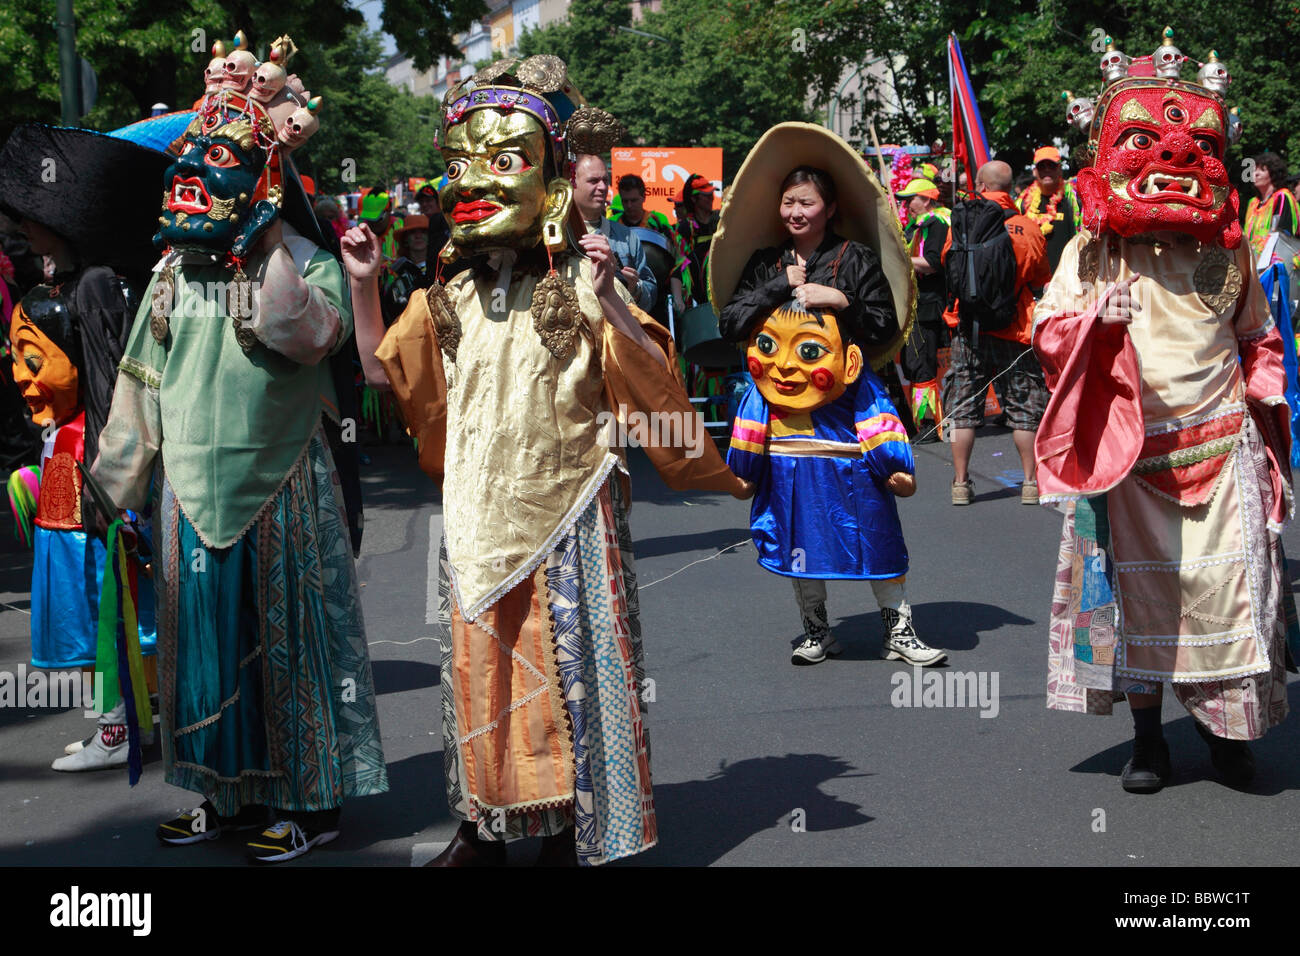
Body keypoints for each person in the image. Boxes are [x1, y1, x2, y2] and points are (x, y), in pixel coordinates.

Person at [344, 54, 750, 867]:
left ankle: (573, 832)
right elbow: (383, 374)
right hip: (477, 515)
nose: (477, 181)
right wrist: (362, 285)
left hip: (571, 507)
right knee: (481, 683)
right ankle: (484, 829)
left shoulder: (584, 281)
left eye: (503, 162)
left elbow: (657, 393)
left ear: (550, 179)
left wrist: (607, 302)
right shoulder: (447, 295)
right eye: (463, 163)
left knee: (570, 685)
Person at [90, 35, 387, 861]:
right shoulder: (169, 274)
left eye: (217, 157)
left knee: (288, 651)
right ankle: (218, 796)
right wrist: (108, 487)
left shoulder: (304, 261)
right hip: (188, 487)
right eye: (189, 156)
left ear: (260, 176)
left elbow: (308, 335)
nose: (192, 174)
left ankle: (310, 801)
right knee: (202, 654)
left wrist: (256, 247)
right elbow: (140, 382)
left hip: (279, 482)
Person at [1033, 34, 1294, 793]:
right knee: (1128, 603)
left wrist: (1267, 414)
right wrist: (1091, 325)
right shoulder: (1090, 248)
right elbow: (1048, 334)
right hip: (1126, 457)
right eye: (1144, 141)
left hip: (1220, 445)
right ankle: (1148, 742)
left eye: (1195, 145)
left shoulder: (1233, 248)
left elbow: (1259, 339)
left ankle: (1229, 741)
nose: (1174, 160)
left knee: (1229, 600)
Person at [713, 121, 944, 667]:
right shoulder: (765, 263)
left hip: (847, 412)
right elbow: (730, 322)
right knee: (796, 519)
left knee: (873, 515)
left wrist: (838, 298)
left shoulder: (856, 260)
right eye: (788, 202)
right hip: (784, 413)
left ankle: (899, 630)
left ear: (830, 207)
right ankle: (816, 629)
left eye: (806, 203)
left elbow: (886, 325)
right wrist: (780, 286)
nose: (795, 212)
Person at [0, 124, 168, 771]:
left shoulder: (96, 285)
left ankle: (119, 729)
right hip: (97, 468)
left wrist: (110, 490)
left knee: (112, 600)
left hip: (104, 472)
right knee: (111, 599)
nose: (26, 232)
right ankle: (122, 721)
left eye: (35, 222)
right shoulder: (87, 280)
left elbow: (106, 391)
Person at [940, 160, 1051, 506]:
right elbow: (1039, 278)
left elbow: (948, 265)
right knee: (1023, 407)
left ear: (979, 184)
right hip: (1014, 332)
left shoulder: (959, 223)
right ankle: (1031, 483)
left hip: (967, 330)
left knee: (963, 407)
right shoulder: (1027, 227)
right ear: (1011, 187)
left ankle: (960, 483)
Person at [896, 178, 950, 438]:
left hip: (926, 306)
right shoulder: (914, 226)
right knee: (913, 365)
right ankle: (921, 423)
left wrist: (898, 257)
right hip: (913, 305)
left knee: (921, 365)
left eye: (911, 199)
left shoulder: (935, 223)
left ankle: (928, 425)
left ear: (926, 200)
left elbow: (931, 262)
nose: (907, 205)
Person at [573, 154, 657, 312]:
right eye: (593, 181)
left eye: (605, 180)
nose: (603, 187)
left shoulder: (627, 236)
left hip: (616, 332)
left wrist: (635, 289)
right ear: (573, 182)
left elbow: (650, 294)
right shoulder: (558, 234)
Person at [615, 173, 688, 315]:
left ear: (644, 197)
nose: (629, 206)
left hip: (657, 289)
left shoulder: (658, 221)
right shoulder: (614, 223)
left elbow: (676, 257)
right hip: (623, 294)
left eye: (634, 200)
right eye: (625, 201)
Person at [1017, 146, 1081, 273]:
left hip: (1067, 276)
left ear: (1059, 170)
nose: (1046, 170)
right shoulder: (1023, 202)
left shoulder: (1072, 197)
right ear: (1035, 172)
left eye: (1051, 166)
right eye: (1042, 167)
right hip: (1036, 278)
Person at [1243, 151, 1297, 259]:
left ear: (1273, 174)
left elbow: (1282, 234)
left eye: (1262, 170)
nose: (1255, 174)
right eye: (1254, 170)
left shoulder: (1281, 197)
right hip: (1252, 259)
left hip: (1274, 261)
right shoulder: (1253, 203)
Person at [676, 173, 719, 305]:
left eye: (711, 193)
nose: (711, 198)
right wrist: (679, 300)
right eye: (706, 195)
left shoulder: (721, 221)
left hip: (722, 286)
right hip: (697, 296)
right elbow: (680, 265)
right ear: (694, 199)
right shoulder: (685, 227)